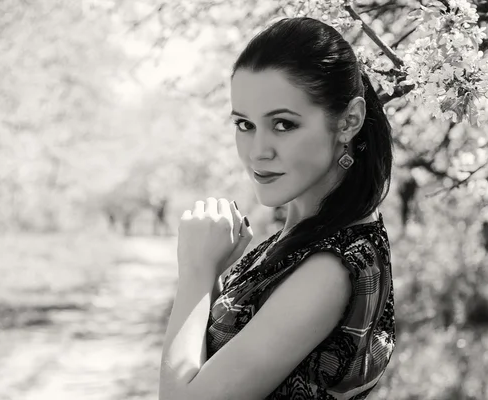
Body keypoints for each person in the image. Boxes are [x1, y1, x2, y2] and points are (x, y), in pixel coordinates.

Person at [160, 16, 395, 400]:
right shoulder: (310, 238)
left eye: (283, 125)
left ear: (349, 120)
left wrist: (195, 272)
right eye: (244, 124)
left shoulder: (330, 268)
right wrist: (213, 275)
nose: (258, 151)